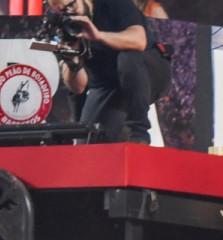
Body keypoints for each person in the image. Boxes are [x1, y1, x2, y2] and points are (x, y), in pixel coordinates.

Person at [45, 0, 172, 145]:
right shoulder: (68, 29)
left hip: (149, 70)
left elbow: (139, 41)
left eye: (72, 5)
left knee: (128, 59)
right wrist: (72, 62)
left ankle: (139, 133)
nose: (71, 13)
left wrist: (98, 36)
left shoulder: (113, 4)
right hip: (108, 84)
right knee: (86, 141)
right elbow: (78, 87)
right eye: (64, 11)